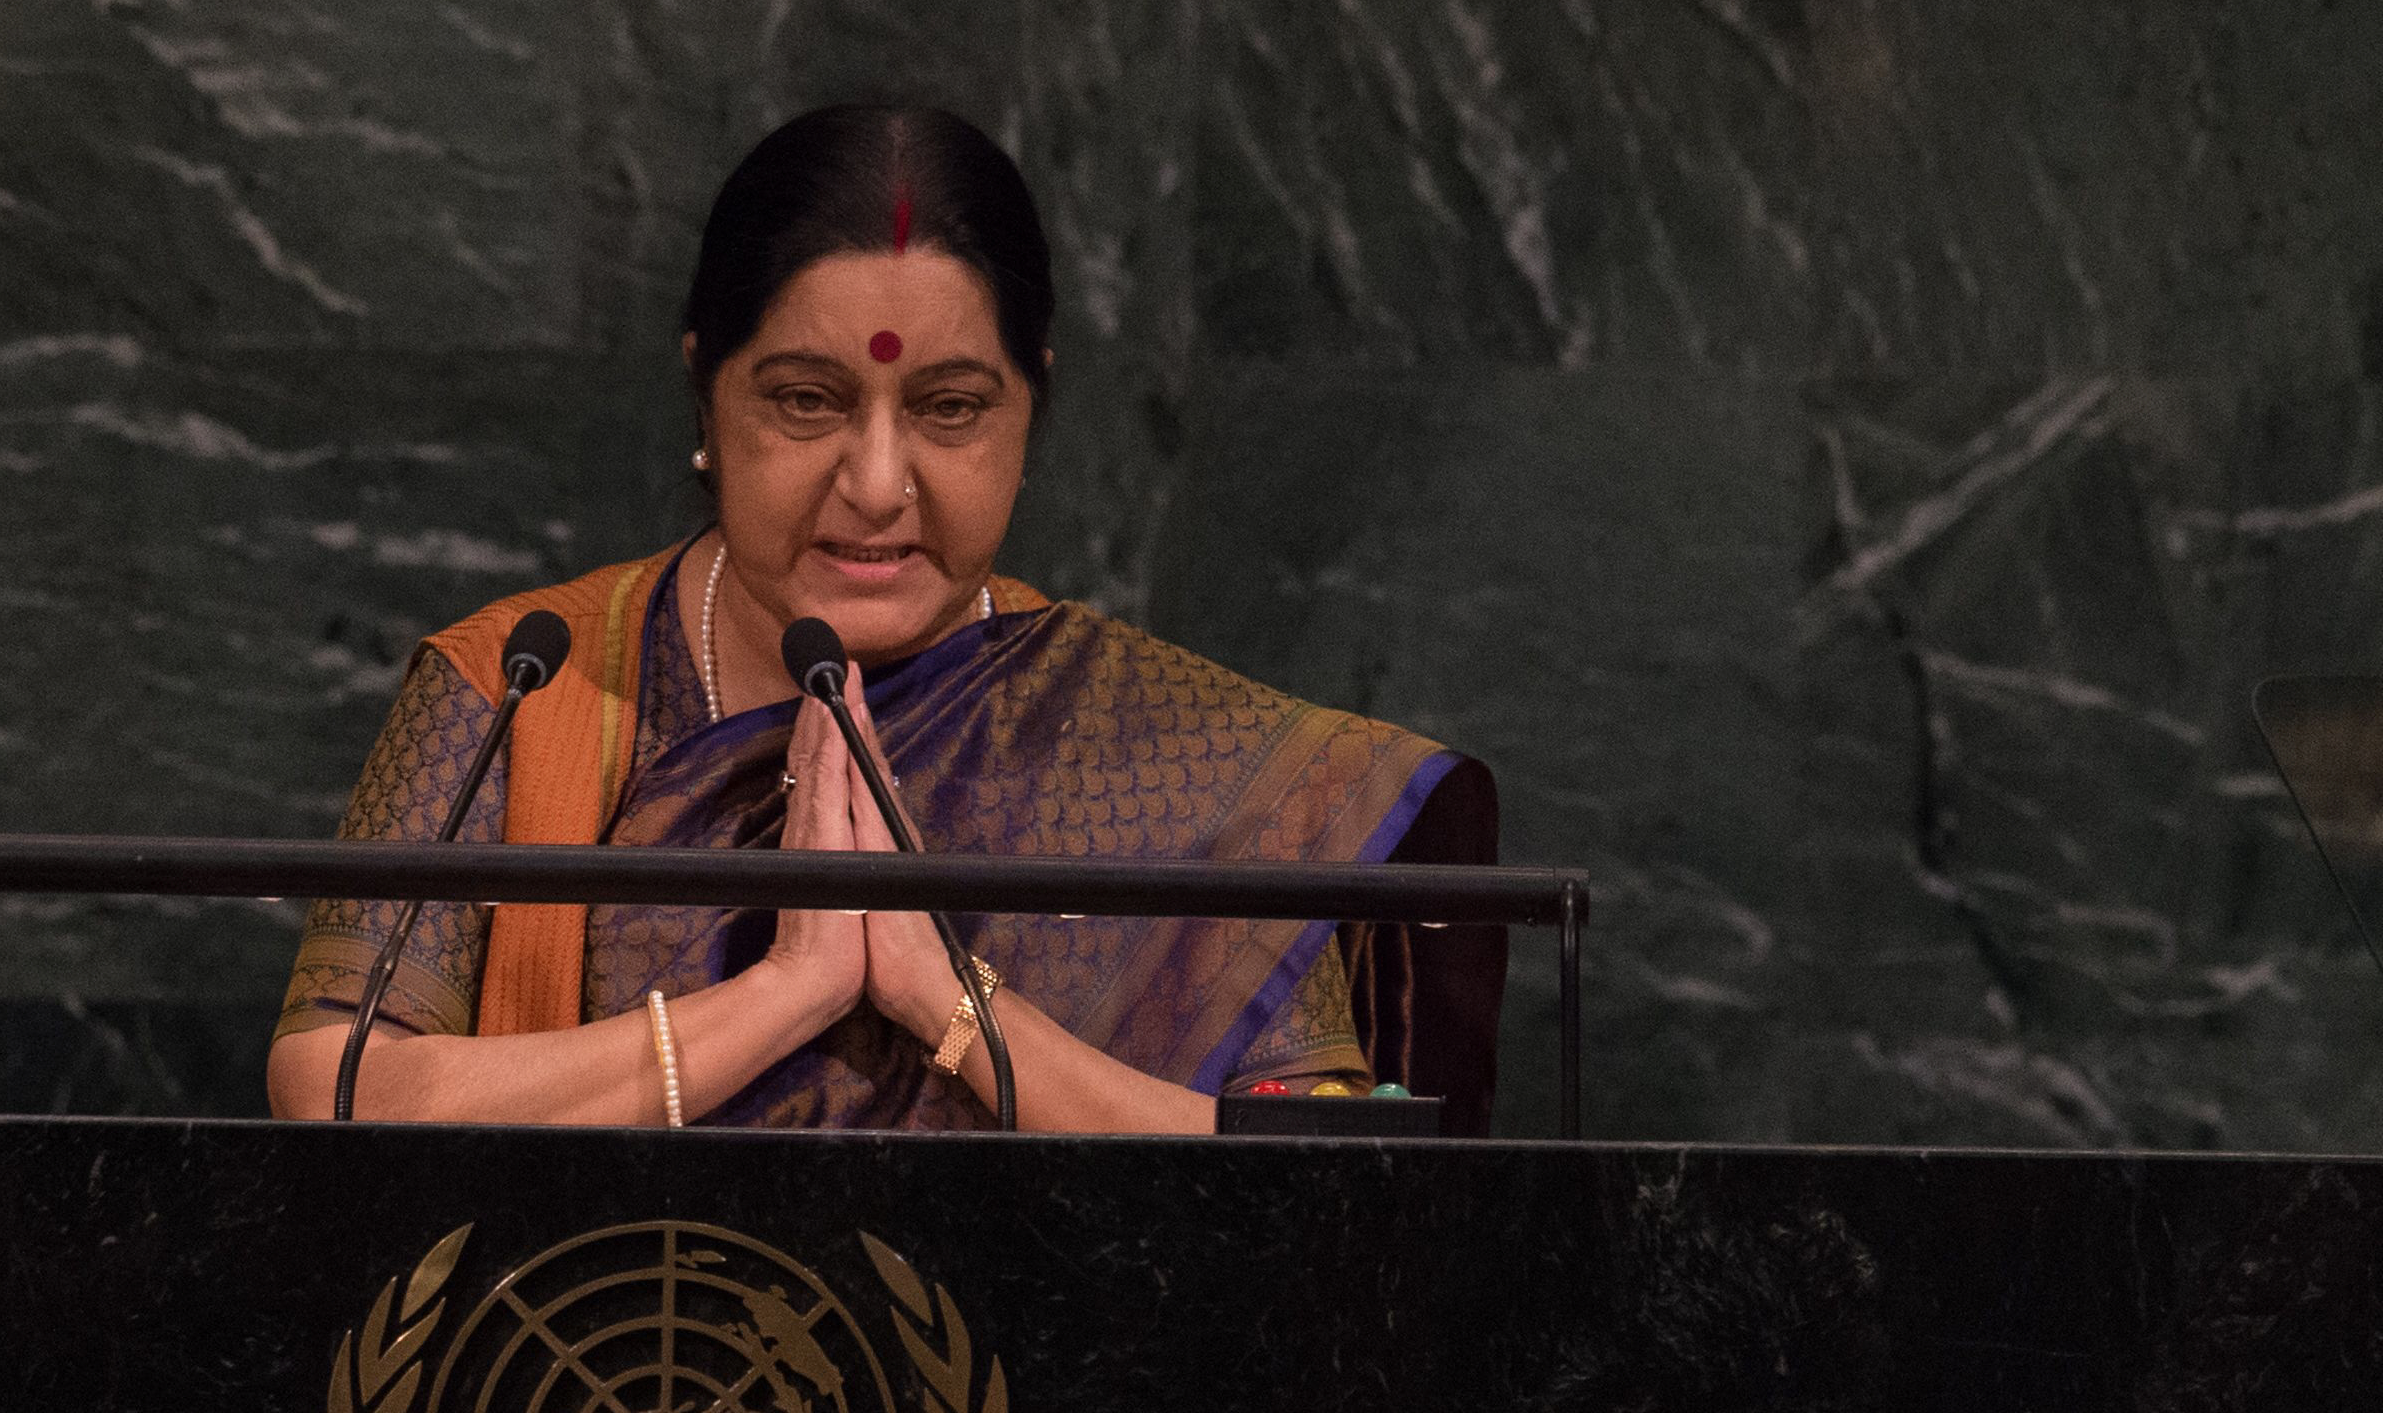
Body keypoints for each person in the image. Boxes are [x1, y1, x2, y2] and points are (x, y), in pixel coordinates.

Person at [266, 105, 1503, 1134]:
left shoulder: (1185, 765)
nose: (875, 484)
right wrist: (786, 997)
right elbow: (333, 1086)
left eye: (951, 410)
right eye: (807, 402)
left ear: (1034, 409)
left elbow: (1332, 1170)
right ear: (707, 394)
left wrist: (949, 1005)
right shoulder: (525, 687)